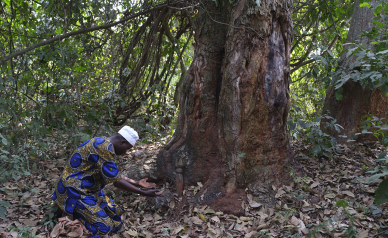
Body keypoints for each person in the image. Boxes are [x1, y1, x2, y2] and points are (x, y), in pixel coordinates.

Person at [52, 126, 161, 237]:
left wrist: (136, 183)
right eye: (127, 148)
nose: (125, 152)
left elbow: (114, 175)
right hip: (74, 192)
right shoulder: (104, 148)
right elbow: (117, 182)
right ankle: (78, 220)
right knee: (105, 228)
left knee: (117, 213)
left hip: (89, 190)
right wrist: (143, 193)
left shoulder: (102, 141)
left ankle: (86, 218)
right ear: (122, 142)